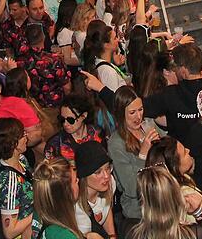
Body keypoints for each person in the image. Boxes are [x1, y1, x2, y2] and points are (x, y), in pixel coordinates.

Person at [142, 43, 202, 143]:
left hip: (182, 154)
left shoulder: (169, 94)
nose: (174, 70)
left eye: (176, 67)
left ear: (183, 70)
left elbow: (141, 108)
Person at [107, 87, 158, 223]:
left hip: (160, 201)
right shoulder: (116, 143)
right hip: (139, 213)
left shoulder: (147, 126)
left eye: (140, 109)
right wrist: (143, 154)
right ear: (120, 114)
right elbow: (130, 187)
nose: (138, 116)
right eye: (132, 112)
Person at [0, 118, 40, 239]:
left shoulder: (21, 159)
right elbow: (10, 232)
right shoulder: (8, 181)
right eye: (23, 135)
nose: (26, 137)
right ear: (12, 143)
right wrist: (40, 210)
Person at [31, 158, 104, 239]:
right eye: (75, 180)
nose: (78, 180)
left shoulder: (37, 215)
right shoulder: (64, 235)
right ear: (67, 194)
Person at [72, 141, 116, 239]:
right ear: (84, 176)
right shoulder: (77, 206)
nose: (106, 176)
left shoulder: (110, 183)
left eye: (108, 168)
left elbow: (106, 208)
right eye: (98, 172)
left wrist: (112, 236)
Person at [43, 96, 104, 163]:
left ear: (84, 115)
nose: (65, 124)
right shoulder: (54, 144)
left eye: (70, 120)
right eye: (62, 119)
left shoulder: (99, 133)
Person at [81, 21, 128, 92]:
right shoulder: (107, 72)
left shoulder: (103, 63)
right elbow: (114, 99)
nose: (118, 40)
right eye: (115, 38)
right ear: (106, 45)